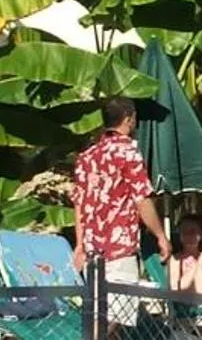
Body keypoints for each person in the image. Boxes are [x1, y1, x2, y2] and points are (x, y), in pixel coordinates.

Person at [72, 96, 172, 284]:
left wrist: (79, 244)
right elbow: (142, 199)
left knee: (96, 312)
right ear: (129, 119)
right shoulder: (128, 152)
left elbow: (80, 204)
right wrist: (160, 236)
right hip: (119, 250)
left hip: (91, 253)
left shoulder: (87, 157)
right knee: (121, 312)